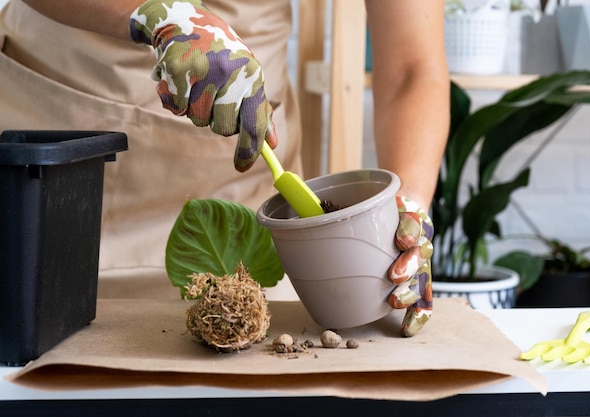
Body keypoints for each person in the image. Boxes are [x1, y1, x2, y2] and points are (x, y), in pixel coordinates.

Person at [0, 0, 449, 336]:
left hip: (248, 204)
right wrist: (159, 13)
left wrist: (407, 209)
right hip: (51, 168)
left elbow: (413, 68)